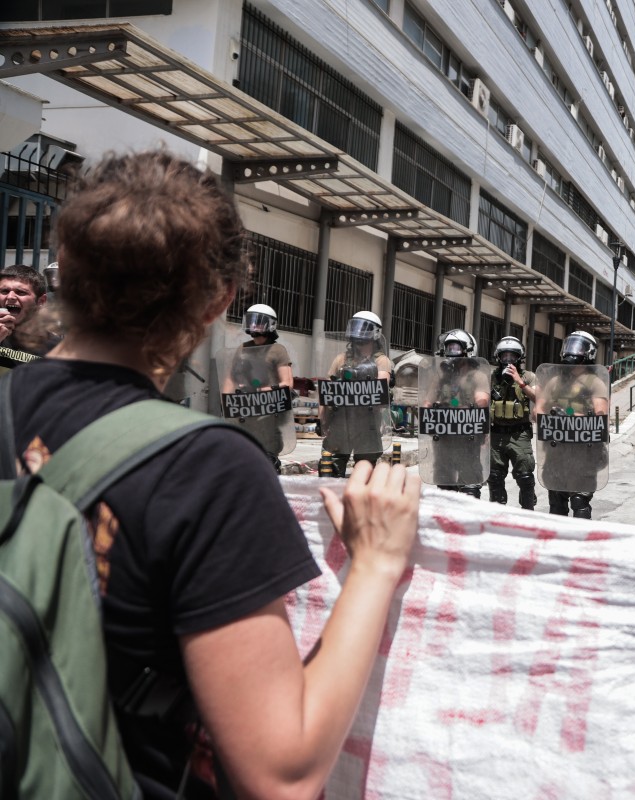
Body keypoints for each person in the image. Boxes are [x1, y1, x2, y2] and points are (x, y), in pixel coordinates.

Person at [4, 150, 418, 798]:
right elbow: (282, 775)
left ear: (64, 270)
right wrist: (376, 566)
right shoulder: (207, 470)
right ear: (219, 301)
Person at [538, 331, 609, 518]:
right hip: (557, 452)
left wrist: (570, 416)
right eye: (569, 345)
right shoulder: (555, 381)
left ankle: (581, 545)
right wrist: (550, 416)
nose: (572, 351)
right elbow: (537, 411)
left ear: (589, 352)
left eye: (578, 347)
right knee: (556, 504)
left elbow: (600, 415)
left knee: (580, 502)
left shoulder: (595, 383)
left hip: (583, 453)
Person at [320, 311, 393, 477]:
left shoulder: (381, 361)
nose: (359, 332)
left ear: (375, 333)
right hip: (340, 421)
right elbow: (326, 392)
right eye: (356, 327)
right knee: (329, 470)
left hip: (367, 423)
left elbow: (380, 387)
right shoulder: (341, 359)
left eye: (364, 328)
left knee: (365, 472)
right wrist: (322, 419)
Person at [223, 303, 293, 472]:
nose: (254, 325)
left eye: (259, 321)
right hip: (244, 409)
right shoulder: (243, 348)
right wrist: (226, 402)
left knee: (266, 460)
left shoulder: (277, 350)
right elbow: (231, 378)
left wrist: (261, 391)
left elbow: (287, 383)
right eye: (251, 320)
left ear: (270, 324)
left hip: (266, 410)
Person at [425, 327, 490, 497]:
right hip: (445, 437)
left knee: (469, 486)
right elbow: (427, 401)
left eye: (456, 348)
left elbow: (482, 401)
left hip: (468, 438)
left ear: (468, 350)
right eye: (449, 348)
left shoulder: (477, 376)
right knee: (444, 486)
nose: (451, 352)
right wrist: (429, 415)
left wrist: (469, 411)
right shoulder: (442, 377)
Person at [488, 335, 539, 510]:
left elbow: (539, 398)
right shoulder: (491, 377)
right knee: (494, 477)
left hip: (520, 433)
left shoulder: (529, 376)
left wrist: (520, 382)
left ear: (519, 358)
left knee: (525, 477)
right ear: (498, 357)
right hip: (496, 433)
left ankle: (527, 513)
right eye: (504, 356)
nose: (508, 360)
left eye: (513, 356)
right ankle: (498, 514)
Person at [0, 263, 52, 373]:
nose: (10, 297)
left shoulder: (56, 349)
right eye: (4, 291)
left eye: (21, 292)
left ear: (41, 301)